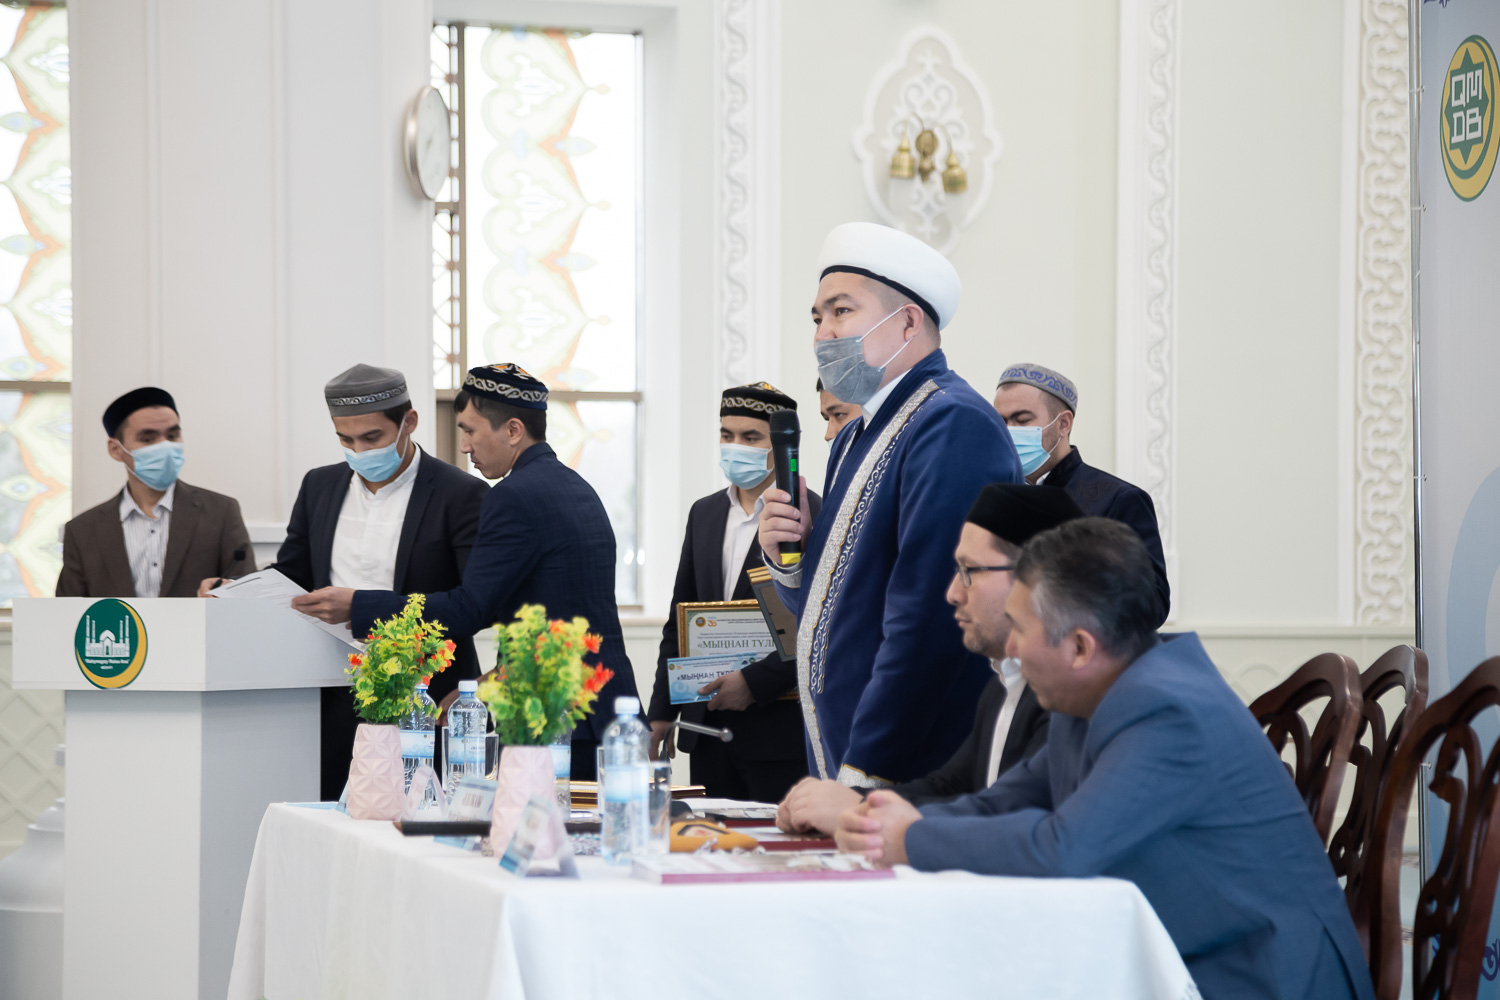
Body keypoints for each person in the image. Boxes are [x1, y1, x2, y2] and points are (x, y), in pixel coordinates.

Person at [834, 519, 1376, 1000]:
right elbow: (1004, 801)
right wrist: (879, 823)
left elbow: (1063, 849)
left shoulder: (1168, 712)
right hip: (1178, 957)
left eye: (1019, 628)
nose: (1012, 649)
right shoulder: (1095, 689)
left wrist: (912, 839)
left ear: (1080, 647)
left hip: (1259, 977)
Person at [758, 221, 1023, 789]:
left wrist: (865, 774)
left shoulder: (951, 423)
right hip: (842, 753)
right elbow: (833, 612)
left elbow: (928, 620)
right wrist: (789, 559)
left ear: (907, 322)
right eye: (817, 317)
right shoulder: (857, 434)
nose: (823, 334)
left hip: (907, 770)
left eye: (841, 311)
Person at [293, 363, 636, 778]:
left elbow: (470, 608)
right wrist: (489, 683)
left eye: (470, 430)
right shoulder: (576, 487)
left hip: (554, 718)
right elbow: (558, 613)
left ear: (513, 431)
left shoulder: (512, 496)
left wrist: (358, 606)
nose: (465, 446)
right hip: (602, 709)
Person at [227, 364, 489, 801]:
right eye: (345, 440)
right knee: (336, 815)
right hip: (333, 693)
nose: (359, 451)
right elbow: (294, 574)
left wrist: (361, 606)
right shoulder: (320, 486)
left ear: (409, 422)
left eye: (371, 438)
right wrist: (234, 588)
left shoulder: (460, 494)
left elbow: (474, 606)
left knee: (420, 816)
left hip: (428, 698)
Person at [777, 483, 1083, 834]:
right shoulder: (1002, 683)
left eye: (969, 571)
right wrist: (851, 801)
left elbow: (1013, 815)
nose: (953, 593)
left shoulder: (1068, 695)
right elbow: (951, 787)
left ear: (1032, 579)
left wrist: (858, 811)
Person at [647, 383, 819, 802]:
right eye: (727, 435)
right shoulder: (704, 513)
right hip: (708, 730)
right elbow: (680, 616)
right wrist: (661, 713)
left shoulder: (812, 514)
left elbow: (818, 624)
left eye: (750, 437)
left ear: (778, 446)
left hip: (779, 735)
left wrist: (754, 684)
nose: (735, 447)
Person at [993, 362, 1170, 623]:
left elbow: (1153, 604)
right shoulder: (995, 498)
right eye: (1001, 422)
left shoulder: (1117, 499)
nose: (1009, 432)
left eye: (1022, 420)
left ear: (1063, 424)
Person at [58, 387, 254, 598]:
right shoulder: (83, 531)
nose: (165, 446)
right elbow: (68, 609)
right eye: (148, 439)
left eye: (172, 435)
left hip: (195, 621)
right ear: (116, 449)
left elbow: (248, 592)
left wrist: (226, 591)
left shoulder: (221, 512)